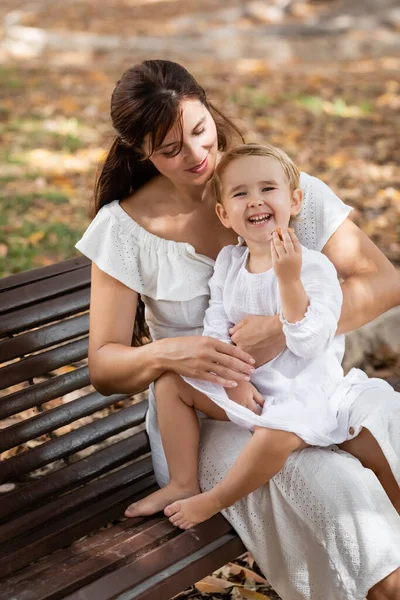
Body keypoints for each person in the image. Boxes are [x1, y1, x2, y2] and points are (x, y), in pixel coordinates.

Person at [75, 60, 400, 600]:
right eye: (170, 149)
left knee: (388, 427)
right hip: (209, 420)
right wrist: (174, 353)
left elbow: (385, 282)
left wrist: (284, 329)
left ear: (210, 108)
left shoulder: (276, 186)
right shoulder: (124, 229)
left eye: (200, 130)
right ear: (141, 153)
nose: (197, 155)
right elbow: (104, 366)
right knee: (340, 493)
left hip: (306, 389)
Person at [125, 143, 399, 529]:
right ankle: (183, 482)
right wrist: (231, 380)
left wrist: (288, 280)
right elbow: (216, 326)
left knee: (277, 433)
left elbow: (308, 340)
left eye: (268, 189)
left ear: (296, 200)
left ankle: (213, 499)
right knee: (170, 384)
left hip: (302, 389)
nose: (255, 201)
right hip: (250, 389)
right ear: (224, 213)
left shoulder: (314, 267)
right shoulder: (229, 264)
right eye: (240, 193)